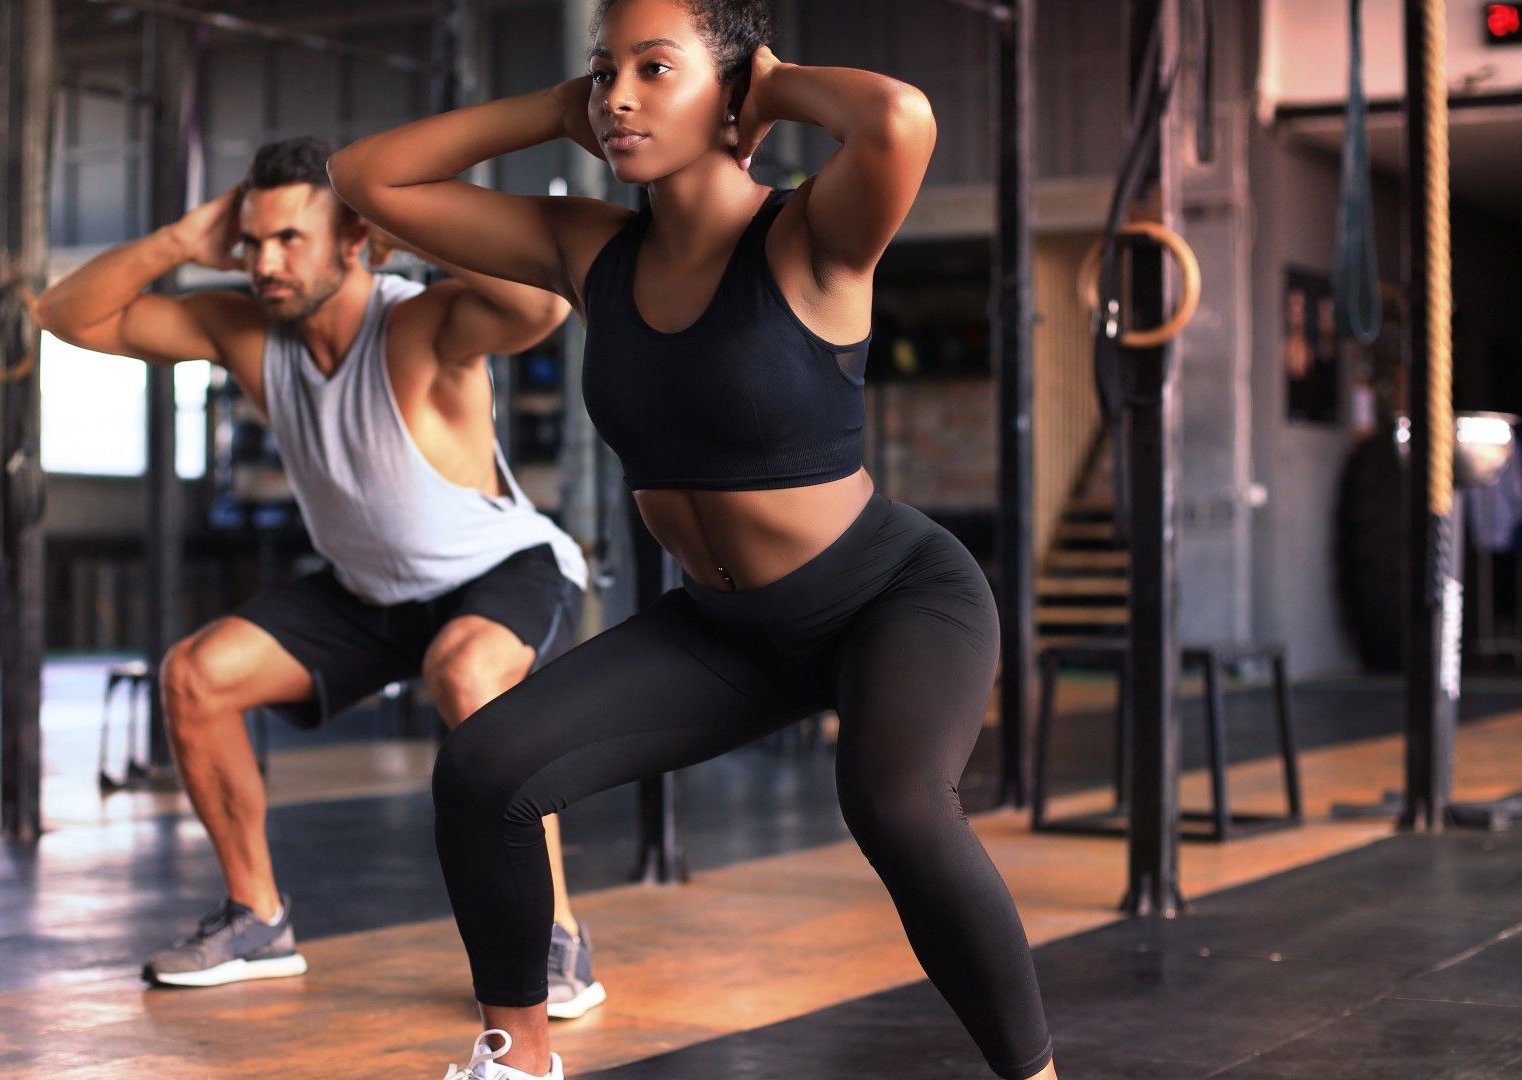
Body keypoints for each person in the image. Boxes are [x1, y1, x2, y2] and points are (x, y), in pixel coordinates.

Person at [329, 0, 1056, 1076]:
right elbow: (366, 178)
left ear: (730, 88)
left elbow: (899, 119)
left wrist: (772, 88)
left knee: (896, 804)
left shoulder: (810, 235)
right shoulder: (589, 250)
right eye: (604, 71)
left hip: (888, 597)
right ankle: (518, 1060)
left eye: (655, 69)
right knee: (485, 771)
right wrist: (557, 109)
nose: (619, 96)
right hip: (725, 630)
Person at [34, 136, 607, 1020]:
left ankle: (555, 935)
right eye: (253, 241)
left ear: (352, 240)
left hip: (499, 571)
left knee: (465, 671)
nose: (264, 262)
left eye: (289, 239)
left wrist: (413, 227)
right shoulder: (245, 333)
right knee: (195, 677)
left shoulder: (416, 325)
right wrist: (182, 241)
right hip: (368, 589)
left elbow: (540, 307)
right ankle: (257, 919)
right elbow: (65, 315)